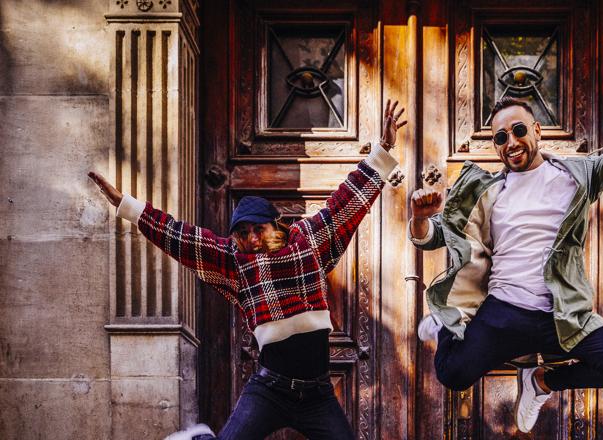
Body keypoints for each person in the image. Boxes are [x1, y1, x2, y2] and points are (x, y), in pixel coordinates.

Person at [89, 100, 407, 440]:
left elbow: (347, 201)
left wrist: (383, 149)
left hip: (317, 394)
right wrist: (127, 206)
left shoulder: (308, 239)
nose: (252, 239)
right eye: (242, 233)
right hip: (269, 389)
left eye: (258, 230)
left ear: (276, 225)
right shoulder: (235, 260)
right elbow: (181, 238)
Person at [408, 26, 603, 433]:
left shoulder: (578, 174)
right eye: (501, 137)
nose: (511, 142)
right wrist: (420, 217)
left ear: (537, 131)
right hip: (504, 312)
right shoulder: (486, 190)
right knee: (452, 374)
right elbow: (436, 235)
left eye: (519, 130)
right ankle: (447, 320)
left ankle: (540, 380)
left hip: (561, 315)